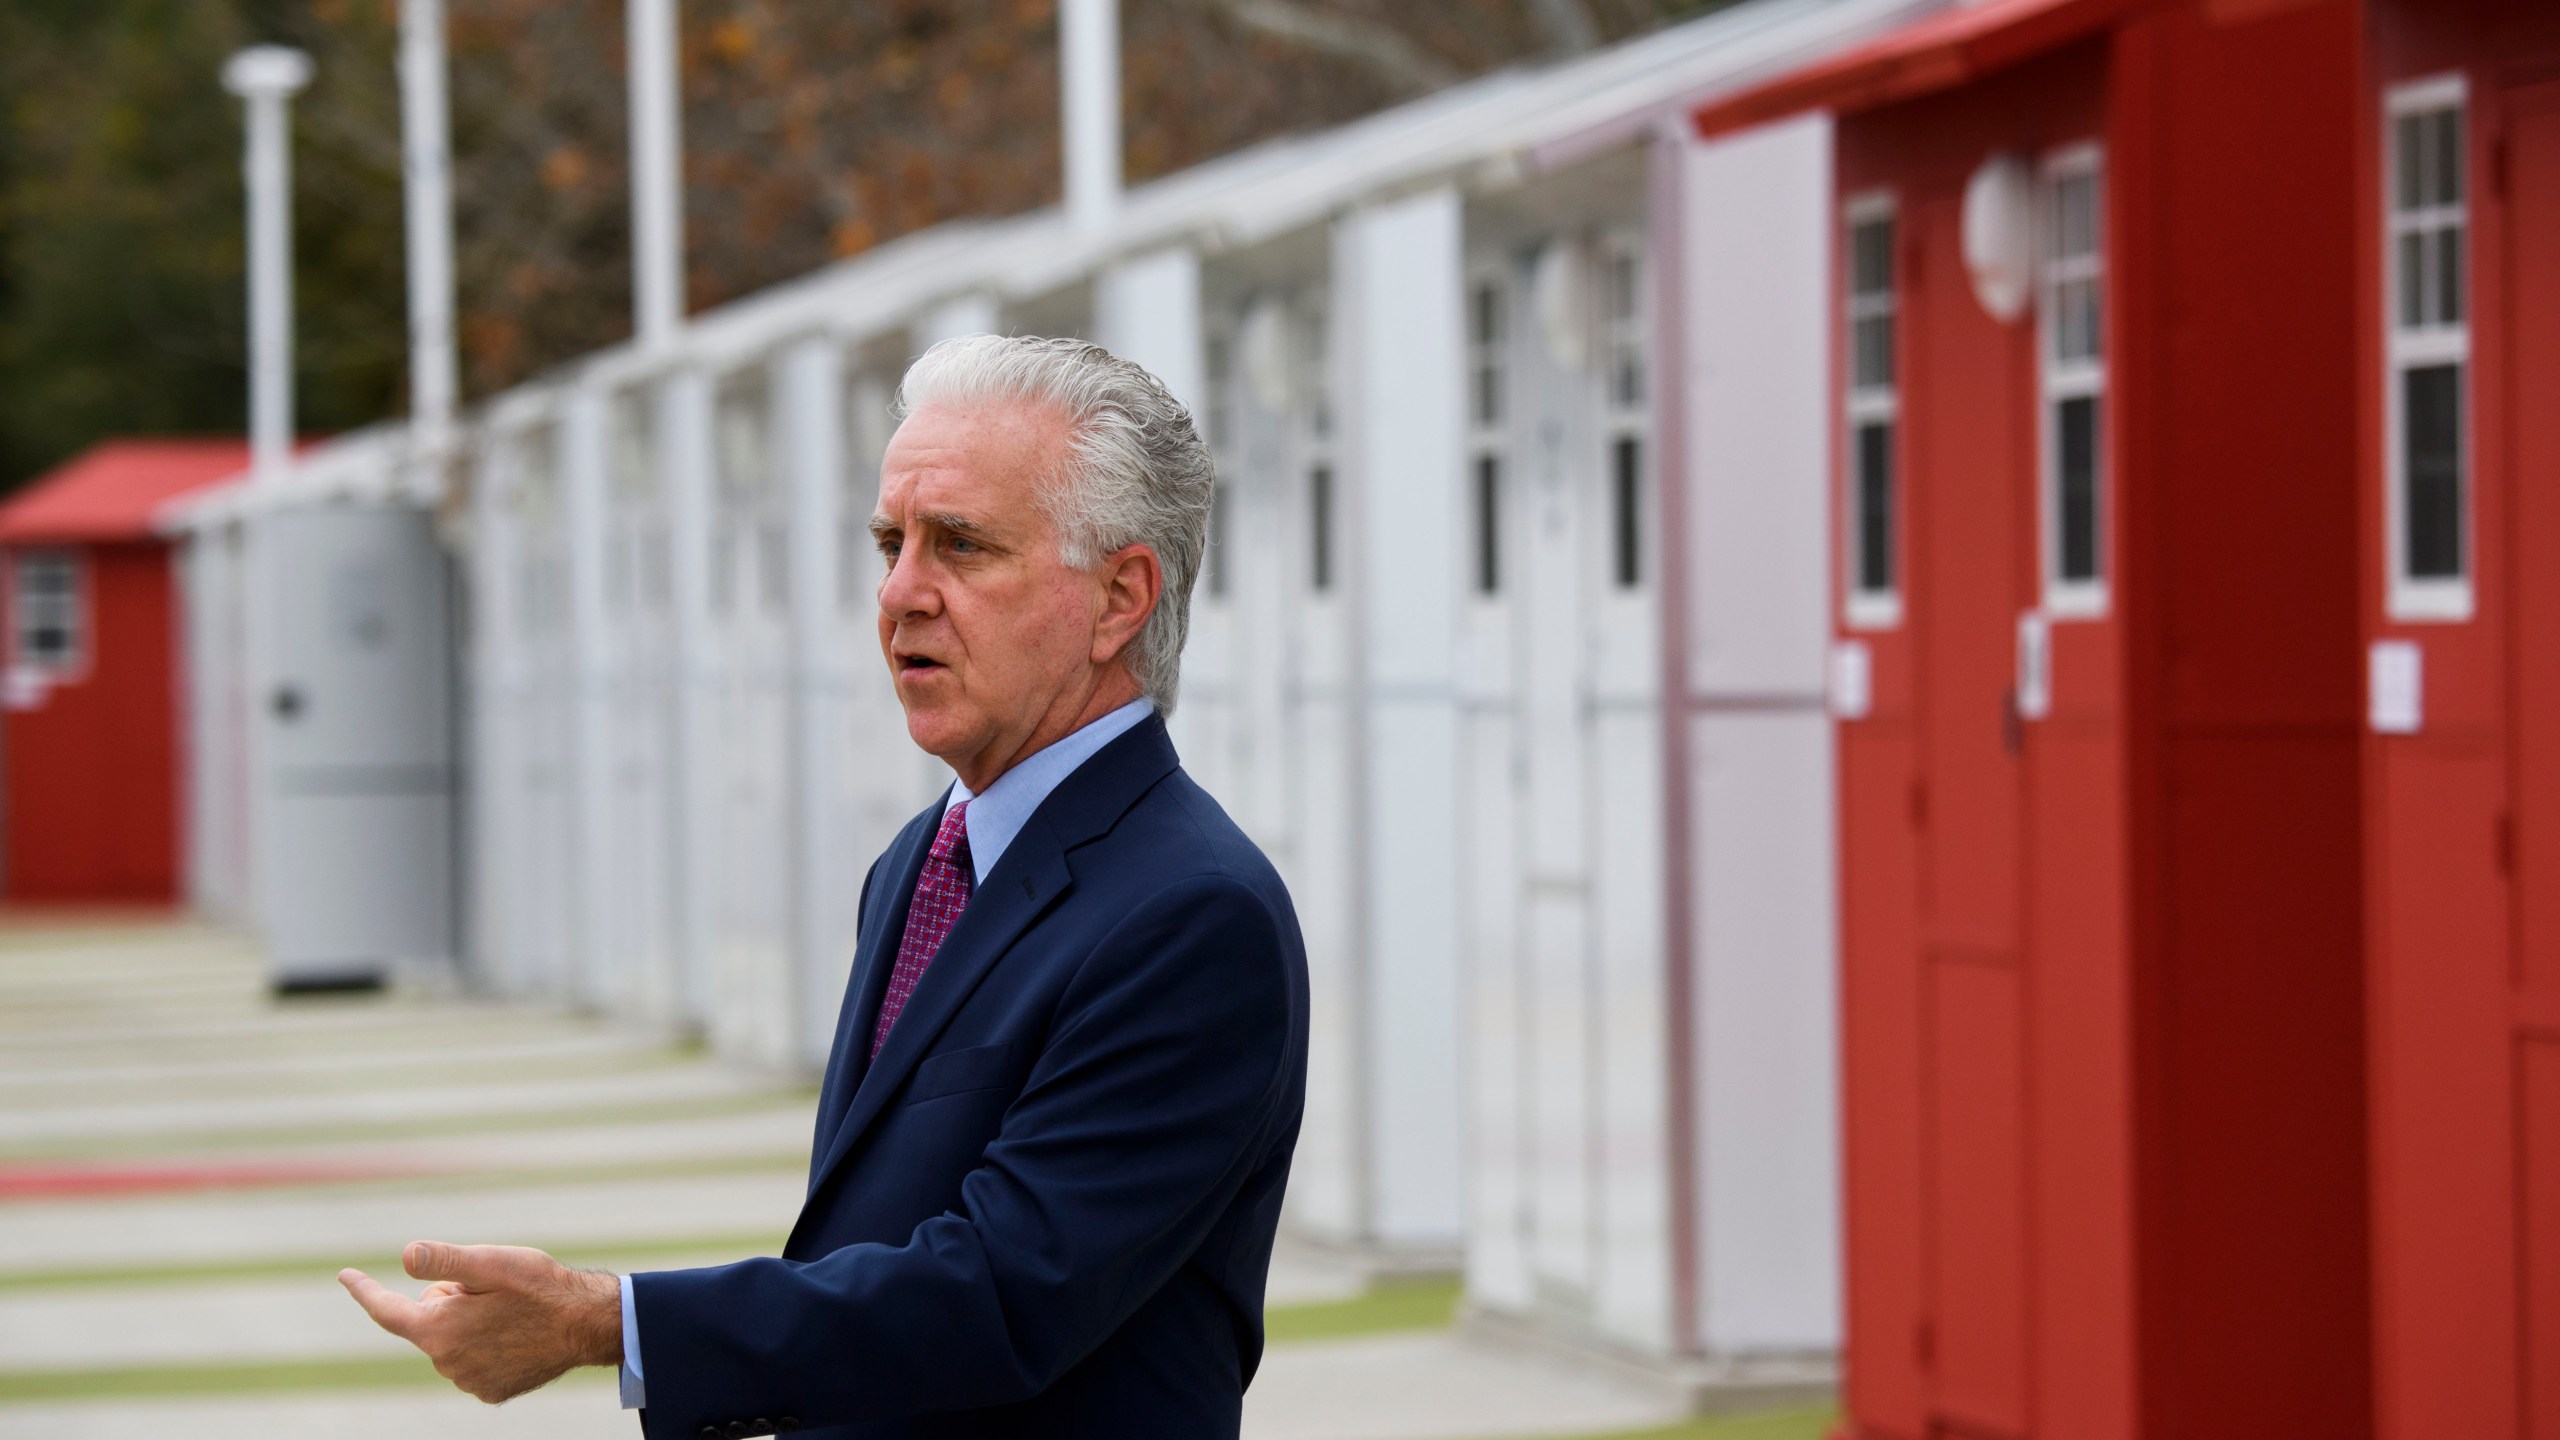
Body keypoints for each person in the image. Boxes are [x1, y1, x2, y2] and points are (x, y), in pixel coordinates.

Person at [341, 335, 1311, 1439]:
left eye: (961, 545)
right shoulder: (919, 862)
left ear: (1118, 597)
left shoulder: (1189, 915)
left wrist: (610, 1324)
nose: (901, 594)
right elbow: (869, 1249)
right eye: (890, 543)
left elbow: (996, 1295)